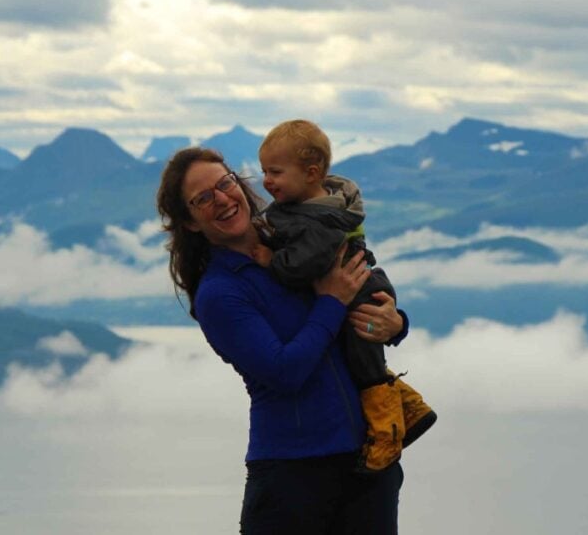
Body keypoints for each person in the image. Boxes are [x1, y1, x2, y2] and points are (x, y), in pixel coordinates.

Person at [156, 147, 406, 534]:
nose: (222, 198)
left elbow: (360, 302)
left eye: (225, 183)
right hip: (292, 478)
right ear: (189, 222)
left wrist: (394, 323)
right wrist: (329, 301)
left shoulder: (294, 242)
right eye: (203, 198)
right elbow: (286, 371)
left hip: (368, 464)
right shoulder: (220, 294)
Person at [255, 119, 436, 472]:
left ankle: (388, 432)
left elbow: (303, 265)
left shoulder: (320, 220)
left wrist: (270, 260)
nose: (266, 180)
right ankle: (410, 407)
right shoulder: (307, 205)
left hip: (361, 296)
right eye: (264, 171)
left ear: (311, 173)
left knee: (364, 364)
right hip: (361, 288)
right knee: (364, 360)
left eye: (275, 171)